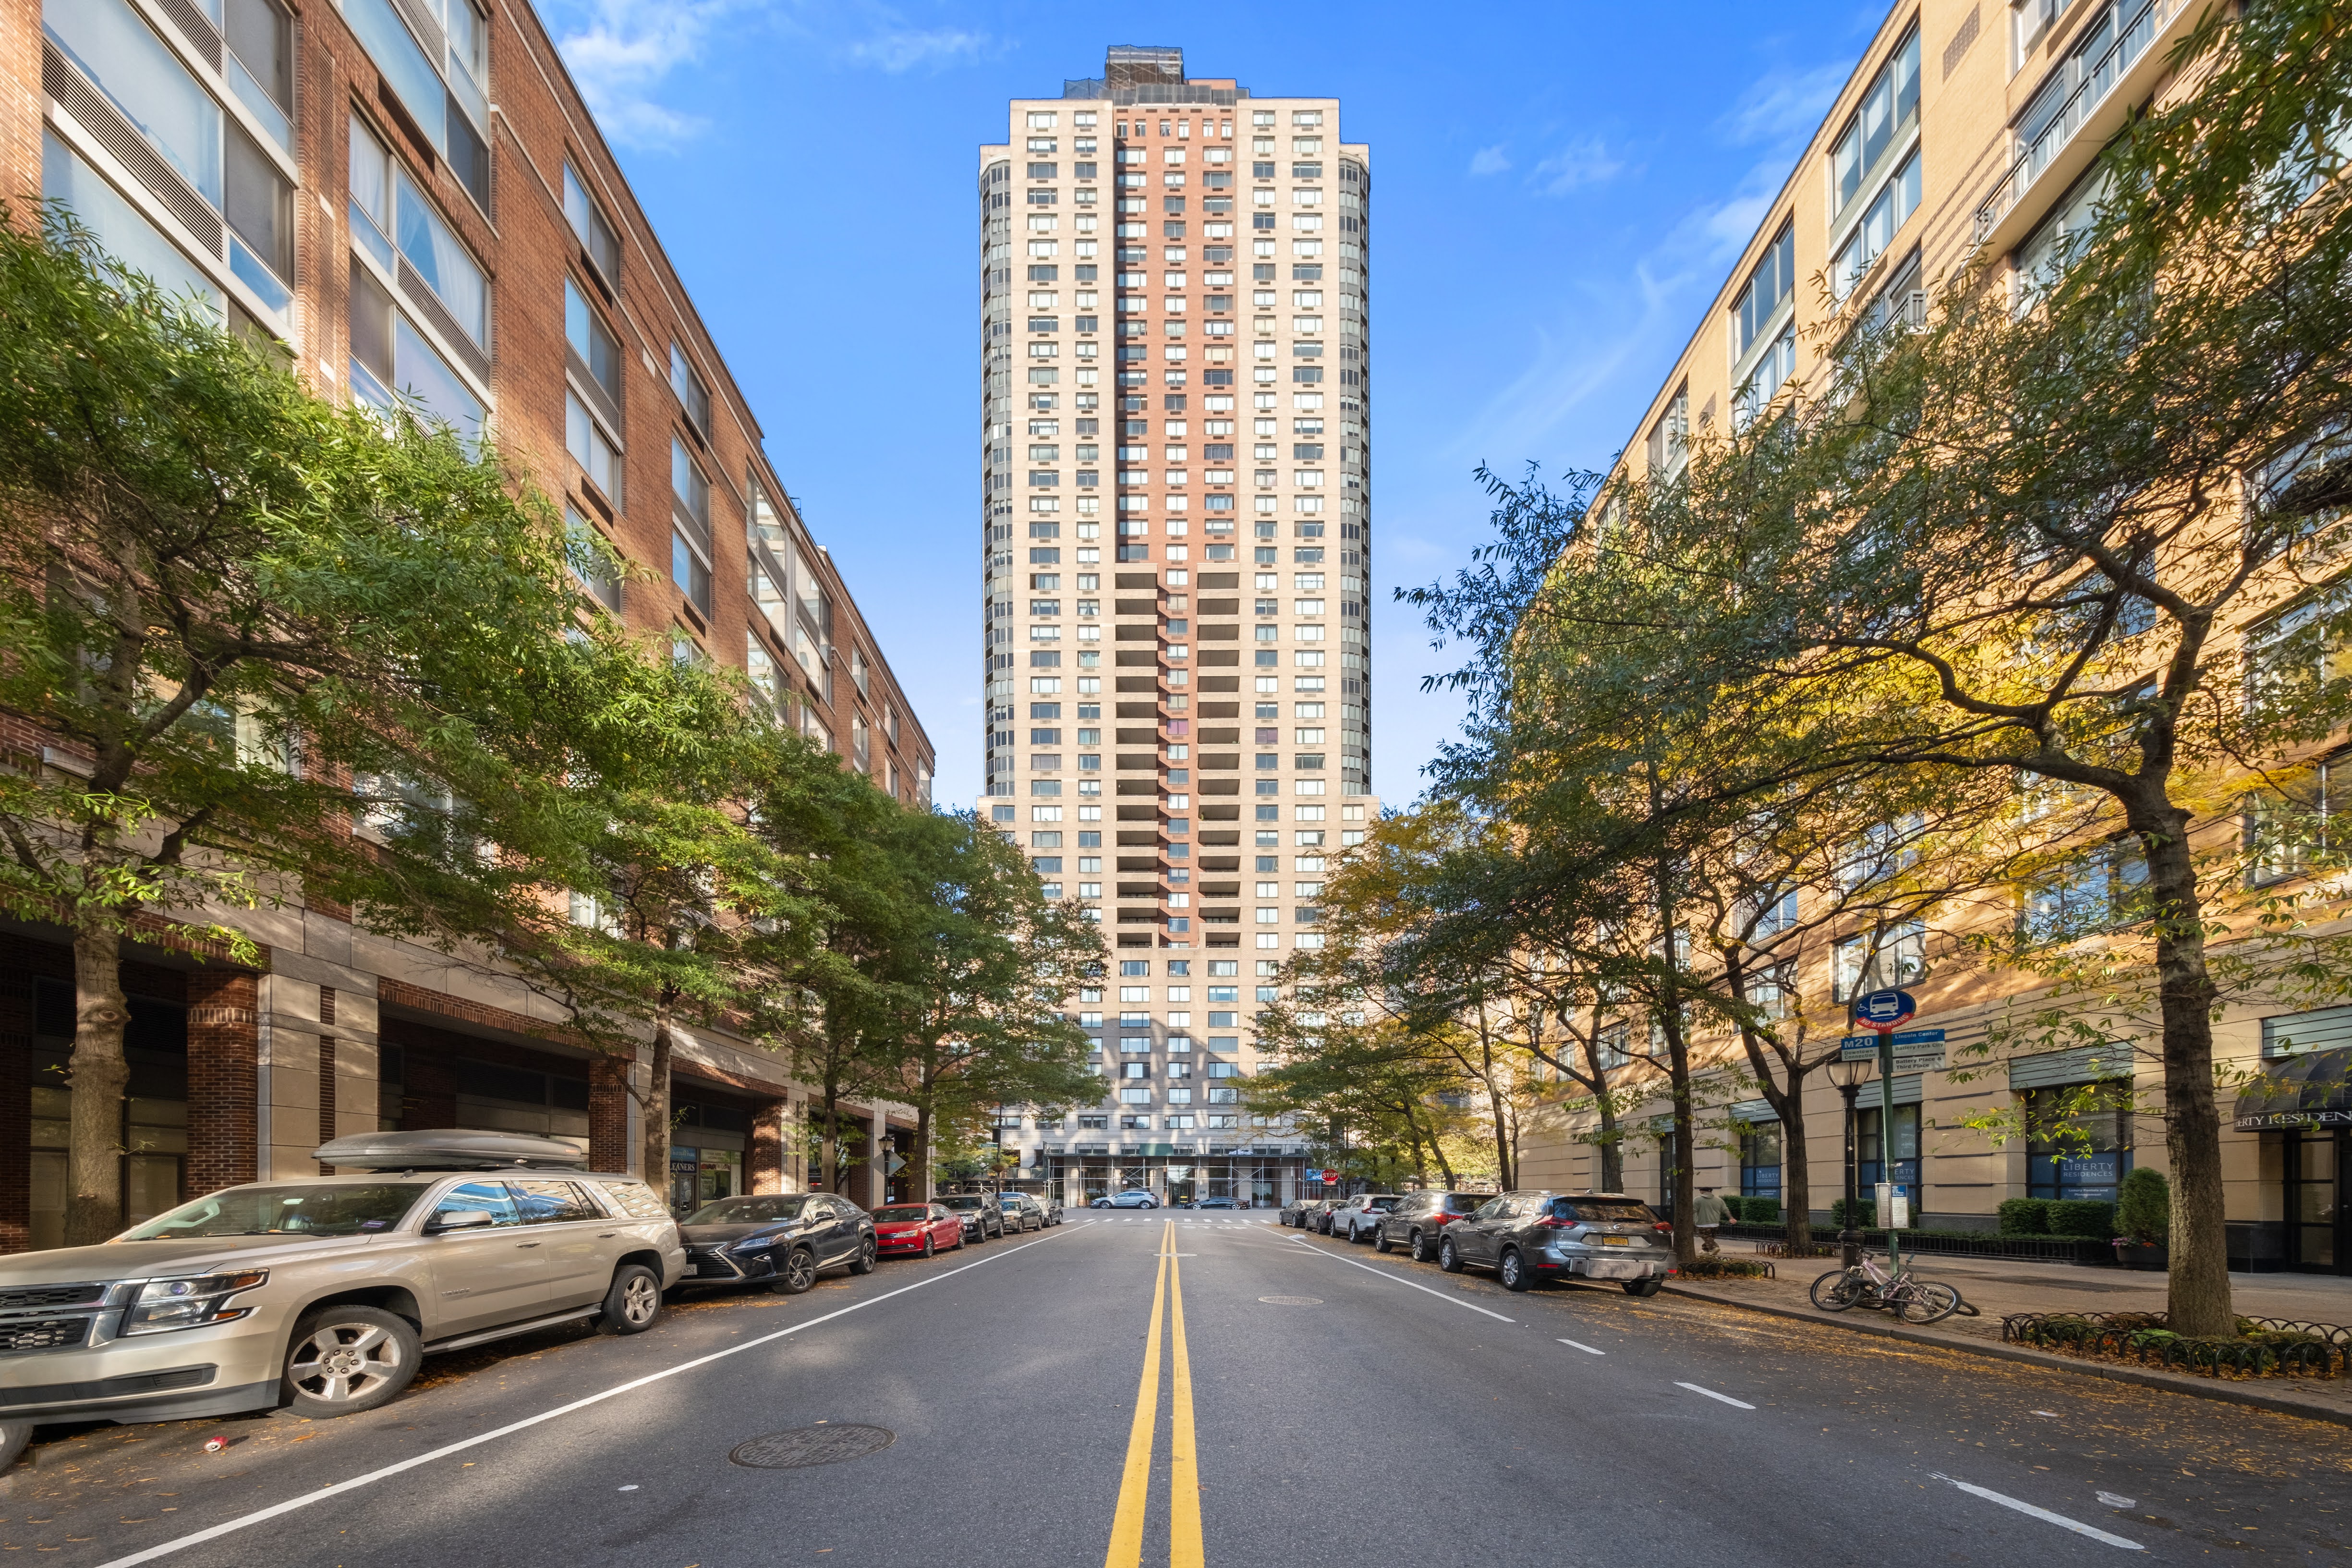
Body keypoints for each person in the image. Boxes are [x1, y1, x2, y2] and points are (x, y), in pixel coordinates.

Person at [1691, 1185, 1731, 1254]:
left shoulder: (1698, 1199)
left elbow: (1693, 1211)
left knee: (1706, 1237)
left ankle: (1714, 1247)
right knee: (1710, 1238)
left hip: (1702, 1223)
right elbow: (1725, 1210)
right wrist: (1731, 1218)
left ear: (1701, 1192)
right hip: (1715, 1223)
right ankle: (1706, 1250)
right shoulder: (1719, 1200)